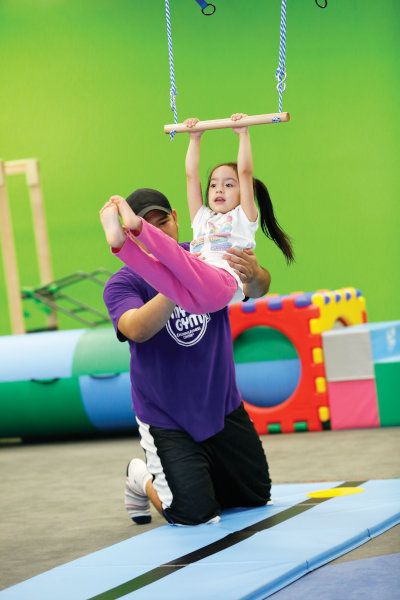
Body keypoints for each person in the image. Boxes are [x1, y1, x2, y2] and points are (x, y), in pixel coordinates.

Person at [100, 114, 294, 316]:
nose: (219, 189)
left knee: (176, 256)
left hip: (222, 284)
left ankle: (138, 227)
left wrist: (243, 134)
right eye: (213, 185)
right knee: (155, 271)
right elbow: (191, 176)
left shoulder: (243, 217)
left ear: (244, 192)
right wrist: (195, 138)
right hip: (191, 298)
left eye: (228, 185)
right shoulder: (202, 217)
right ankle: (121, 244)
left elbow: (245, 172)